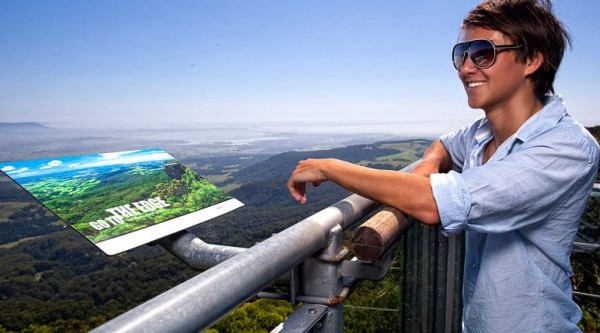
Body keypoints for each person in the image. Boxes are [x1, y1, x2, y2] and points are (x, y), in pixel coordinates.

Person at [286, 0, 600, 332]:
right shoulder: (483, 132)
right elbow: (445, 144)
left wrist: (331, 167)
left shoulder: (566, 147)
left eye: (482, 53)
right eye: (460, 54)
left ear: (532, 59)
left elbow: (434, 203)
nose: (465, 68)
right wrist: (429, 164)